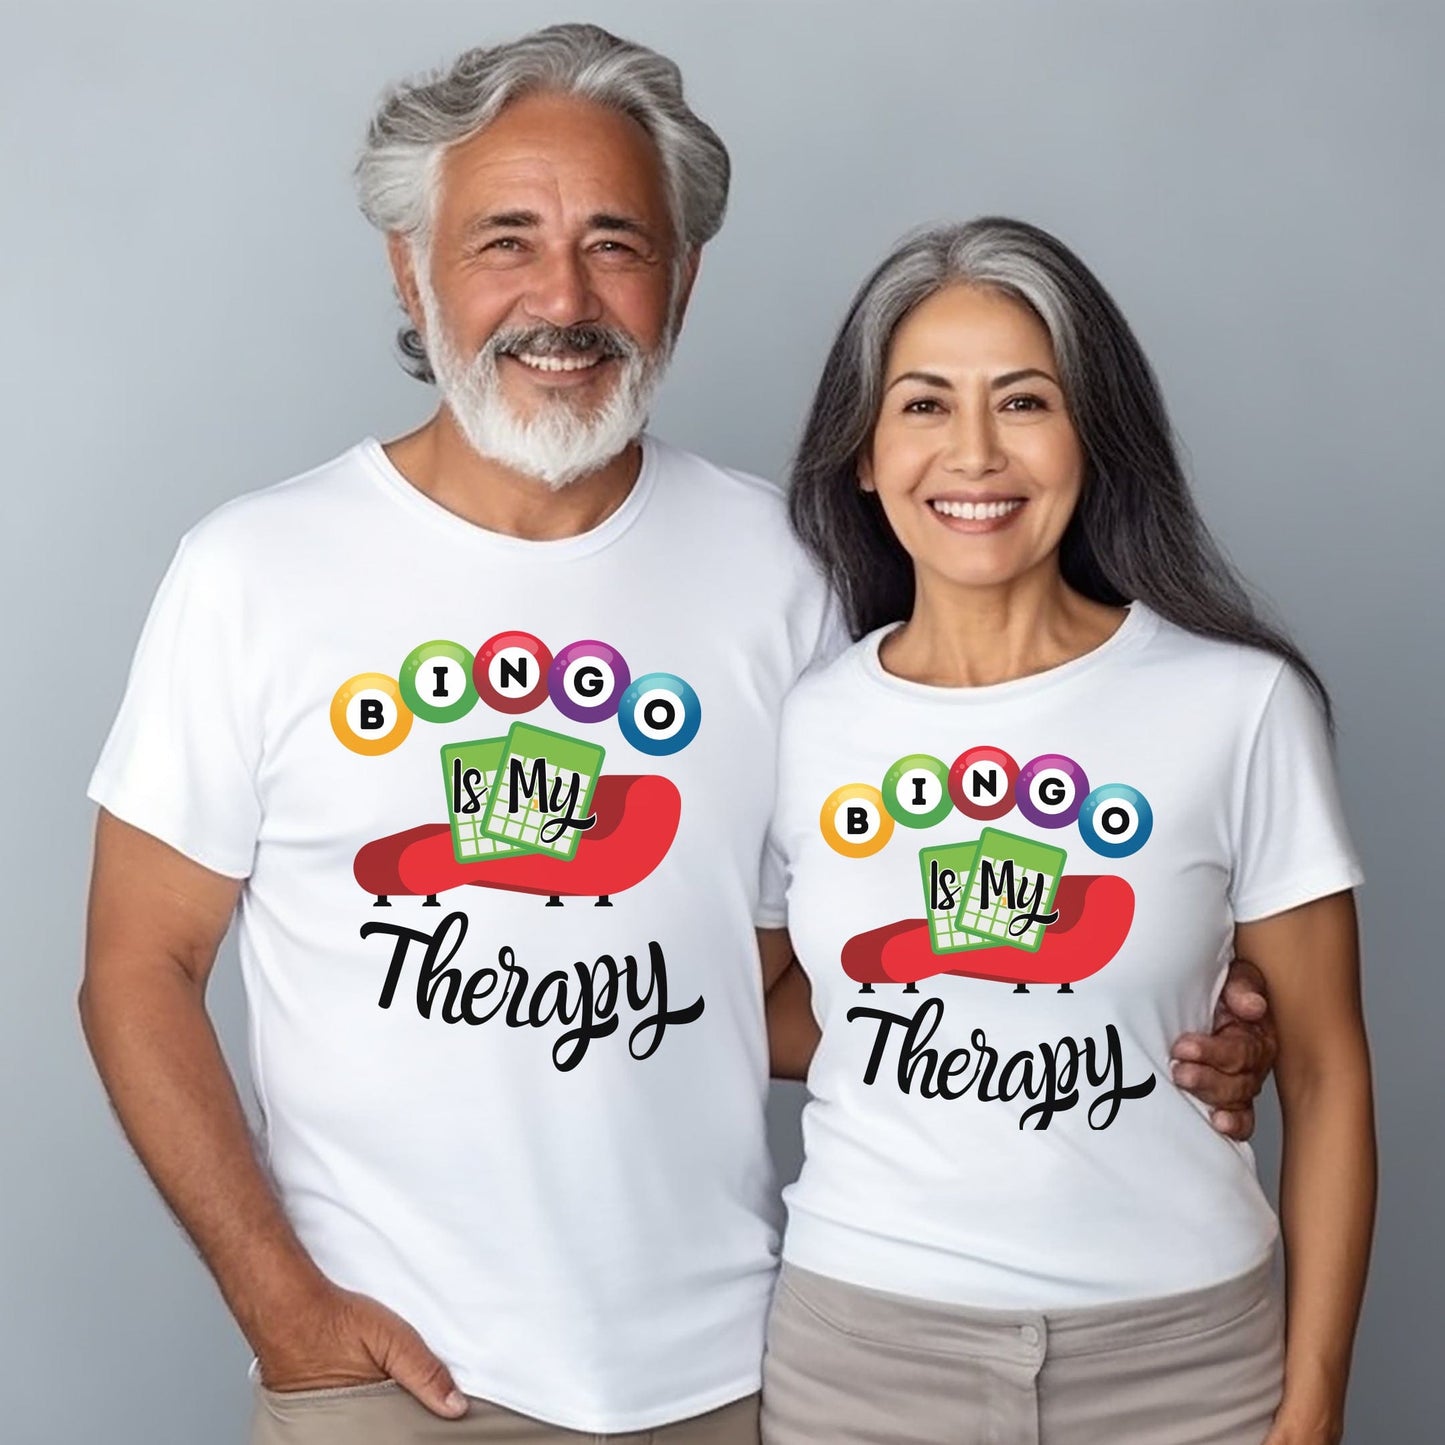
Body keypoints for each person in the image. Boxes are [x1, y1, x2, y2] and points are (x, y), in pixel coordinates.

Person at [78, 26, 1276, 1445]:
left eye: (616, 244)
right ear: (411, 268)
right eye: (504, 241)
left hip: (734, 1374)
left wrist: (1155, 1007)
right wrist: (280, 1304)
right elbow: (135, 970)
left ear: (685, 279)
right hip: (389, 1380)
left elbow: (806, 983)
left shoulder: (798, 571)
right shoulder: (254, 571)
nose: (562, 298)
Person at [757, 217, 1376, 1445]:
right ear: (865, 456)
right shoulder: (802, 719)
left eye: (1023, 400)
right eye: (923, 405)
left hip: (1186, 1361)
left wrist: (1312, 1403)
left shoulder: (1235, 703)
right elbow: (776, 1003)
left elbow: (1322, 1069)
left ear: (1091, 436)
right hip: (862, 1360)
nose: (972, 452)